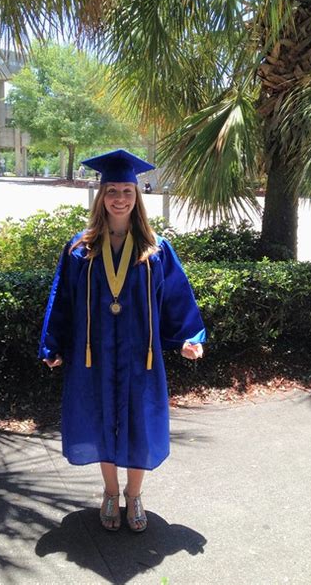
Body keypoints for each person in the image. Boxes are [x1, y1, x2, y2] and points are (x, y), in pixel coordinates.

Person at [38, 149, 205, 533]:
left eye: (126, 190)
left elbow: (176, 297)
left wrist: (187, 339)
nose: (119, 198)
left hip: (139, 357)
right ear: (101, 196)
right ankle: (110, 493)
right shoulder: (80, 249)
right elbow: (62, 298)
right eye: (111, 190)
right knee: (100, 420)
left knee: (139, 423)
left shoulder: (156, 250)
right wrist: (53, 344)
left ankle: (134, 495)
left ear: (137, 195)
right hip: (92, 355)